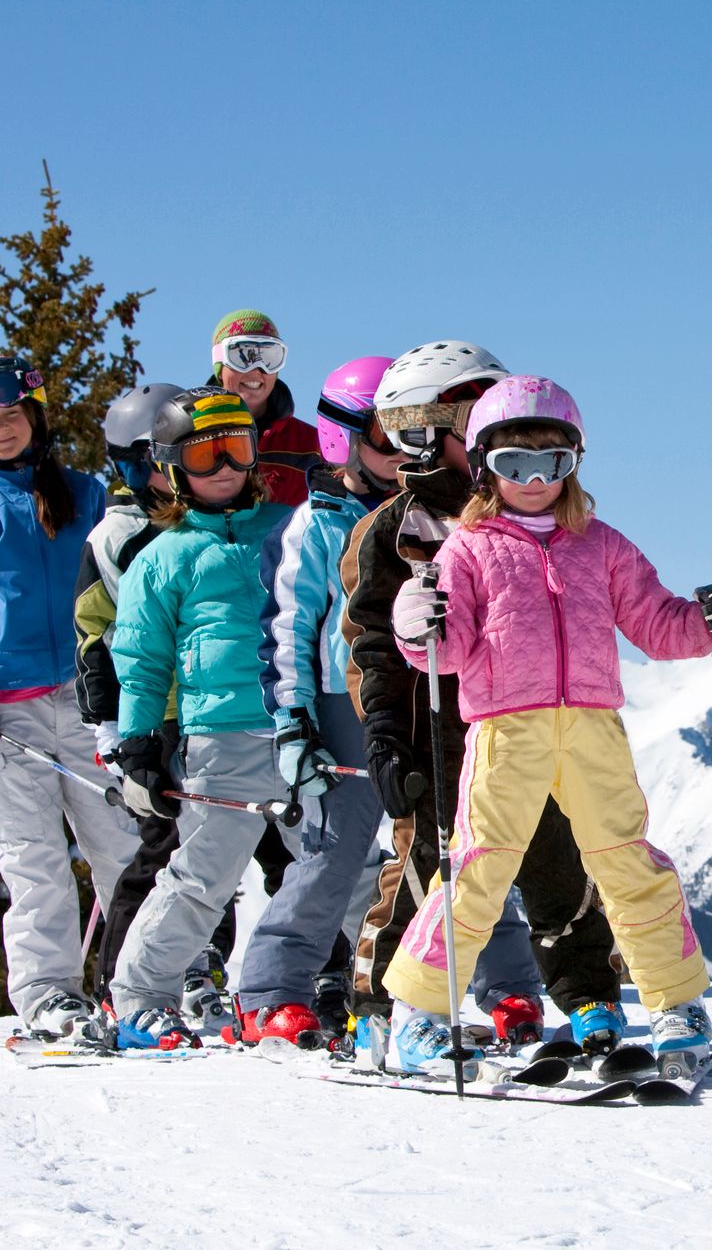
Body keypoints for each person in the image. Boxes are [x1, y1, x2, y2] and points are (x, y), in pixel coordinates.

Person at [384, 374, 712, 1073]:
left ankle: (676, 1003)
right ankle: (420, 1014)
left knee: (625, 859)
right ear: (485, 466)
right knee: (478, 867)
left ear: (573, 464)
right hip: (504, 728)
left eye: (551, 464)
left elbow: (655, 621)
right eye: (512, 464)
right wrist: (417, 625)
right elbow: (450, 646)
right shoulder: (468, 548)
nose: (532, 480)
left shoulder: (601, 544)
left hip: (591, 727)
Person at [340, 343, 619, 1067]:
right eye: (400, 433)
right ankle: (383, 1009)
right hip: (437, 730)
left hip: (529, 721)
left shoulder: (543, 519)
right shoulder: (391, 530)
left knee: (558, 855)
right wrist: (384, 735)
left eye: (430, 429)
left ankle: (589, 995)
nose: (416, 452)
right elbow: (370, 643)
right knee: (435, 868)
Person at [239, 354, 520, 1047]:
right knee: (333, 854)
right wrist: (295, 724)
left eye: (413, 435)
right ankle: (271, 991)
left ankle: (510, 983)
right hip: (347, 707)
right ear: (340, 439)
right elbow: (286, 631)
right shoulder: (317, 526)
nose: (400, 454)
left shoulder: (448, 516)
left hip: (444, 695)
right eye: (381, 437)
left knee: (467, 841)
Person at [0, 355, 135, 1043]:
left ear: (35, 416)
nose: (0, 429)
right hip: (7, 716)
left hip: (88, 700)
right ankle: (49, 994)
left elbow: (125, 585)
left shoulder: (87, 495)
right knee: (33, 858)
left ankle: (143, 981)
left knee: (122, 847)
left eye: (10, 415)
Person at [105, 387, 297, 1049]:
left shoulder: (287, 530)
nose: (222, 466)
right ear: (171, 466)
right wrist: (137, 745)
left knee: (337, 867)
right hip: (221, 737)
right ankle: (138, 997)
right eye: (204, 453)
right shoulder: (163, 555)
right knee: (204, 877)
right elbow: (142, 659)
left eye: (236, 449)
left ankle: (304, 991)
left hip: (301, 729)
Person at [73, 381, 241, 1008]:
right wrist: (112, 728)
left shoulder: (214, 522)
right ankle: (121, 981)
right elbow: (94, 635)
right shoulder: (117, 536)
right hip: (157, 714)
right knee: (165, 844)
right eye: (146, 461)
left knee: (218, 845)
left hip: (215, 708)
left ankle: (200, 965)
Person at [211, 309, 321, 506]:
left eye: (269, 357)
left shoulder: (313, 445)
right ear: (220, 366)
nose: (255, 370)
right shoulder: (192, 436)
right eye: (242, 356)